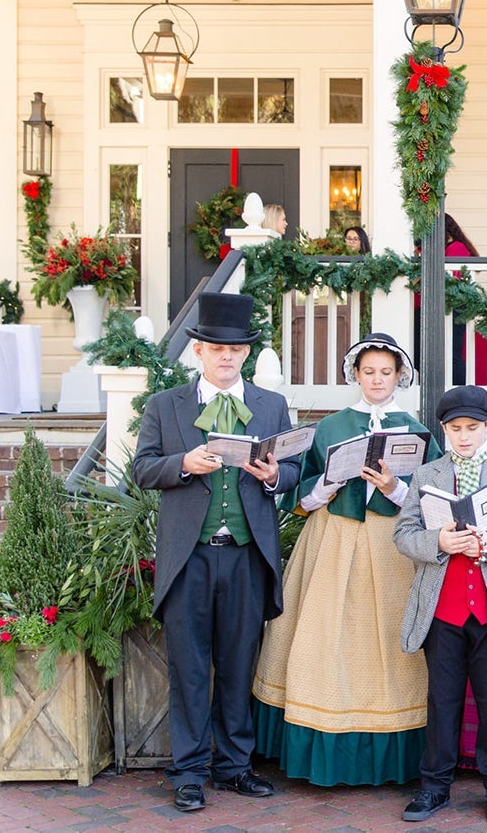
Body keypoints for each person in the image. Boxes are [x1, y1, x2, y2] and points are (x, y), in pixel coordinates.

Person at [133, 291, 301, 813]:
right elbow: (142, 471)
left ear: (246, 354)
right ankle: (188, 771)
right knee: (187, 666)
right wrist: (185, 463)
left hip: (246, 555)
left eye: (236, 349)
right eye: (215, 347)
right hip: (191, 556)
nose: (227, 356)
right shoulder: (166, 405)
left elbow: (295, 470)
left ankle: (233, 766)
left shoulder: (270, 405)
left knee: (237, 664)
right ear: (198, 351)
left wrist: (276, 476)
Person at [252, 333, 441, 785]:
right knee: (323, 635)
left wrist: (394, 488)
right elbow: (298, 491)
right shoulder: (331, 426)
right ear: (355, 374)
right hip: (333, 539)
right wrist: (326, 486)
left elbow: (435, 499)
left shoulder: (415, 430)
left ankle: (395, 743)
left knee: (390, 639)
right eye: (368, 371)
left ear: (400, 376)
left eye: (386, 372)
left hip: (392, 546)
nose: (377, 379)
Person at [394, 386, 487, 825]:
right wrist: (436, 541)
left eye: (472, 428)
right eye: (455, 429)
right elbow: (402, 534)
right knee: (442, 700)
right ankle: (435, 787)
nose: (463, 436)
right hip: (442, 608)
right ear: (444, 430)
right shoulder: (427, 475)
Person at [443, 214, 478, 384]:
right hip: (448, 307)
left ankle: (458, 391)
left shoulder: (456, 248)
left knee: (453, 354)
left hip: (455, 307)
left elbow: (452, 279)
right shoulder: (450, 247)